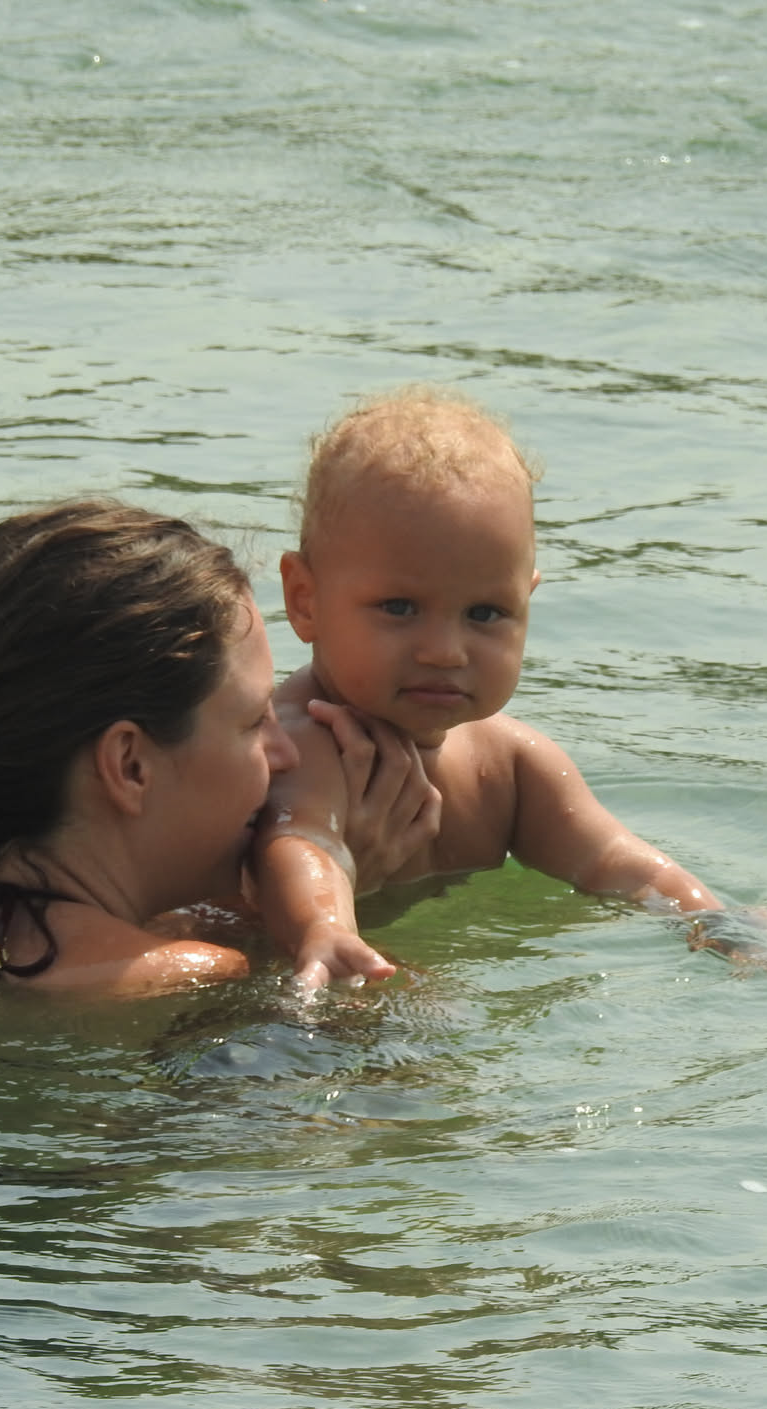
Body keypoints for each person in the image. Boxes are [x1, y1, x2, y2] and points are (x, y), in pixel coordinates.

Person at [0, 498, 434, 997]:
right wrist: (336, 914)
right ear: (130, 765)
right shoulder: (192, 974)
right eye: (253, 723)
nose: (286, 754)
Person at [253, 387, 730, 988]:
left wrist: (717, 922)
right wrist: (324, 927)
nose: (445, 651)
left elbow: (617, 862)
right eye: (399, 607)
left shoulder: (509, 764)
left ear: (527, 601)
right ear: (305, 600)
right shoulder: (301, 744)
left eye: (485, 614)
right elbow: (302, 842)